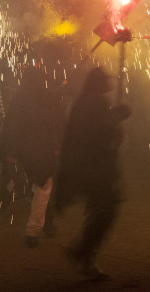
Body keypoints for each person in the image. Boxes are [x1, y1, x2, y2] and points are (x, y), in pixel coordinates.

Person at [54, 67, 131, 280]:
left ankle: (86, 260)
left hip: (90, 169)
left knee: (98, 211)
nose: (109, 83)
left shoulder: (86, 101)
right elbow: (95, 131)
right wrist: (118, 114)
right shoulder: (94, 102)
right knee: (105, 212)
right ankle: (82, 252)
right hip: (96, 170)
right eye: (105, 80)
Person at [0, 67, 62, 247]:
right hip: (40, 152)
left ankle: (47, 226)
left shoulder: (20, 98)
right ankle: (32, 232)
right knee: (42, 189)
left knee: (40, 188)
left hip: (24, 152)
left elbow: (11, 125)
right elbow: (52, 123)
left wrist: (12, 153)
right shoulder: (44, 98)